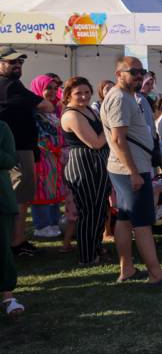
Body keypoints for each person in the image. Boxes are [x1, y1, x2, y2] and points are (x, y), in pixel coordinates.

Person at [101, 57, 162, 287]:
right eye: (133, 71)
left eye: (142, 71)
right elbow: (119, 140)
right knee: (142, 222)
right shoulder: (120, 98)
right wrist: (134, 172)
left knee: (125, 219)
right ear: (119, 73)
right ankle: (156, 274)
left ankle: (127, 269)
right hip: (131, 169)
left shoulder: (127, 97)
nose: (139, 75)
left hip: (127, 168)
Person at [0, 46, 54, 258]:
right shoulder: (8, 85)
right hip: (16, 150)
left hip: (19, 148)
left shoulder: (13, 84)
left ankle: (17, 240)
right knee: (20, 197)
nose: (17, 65)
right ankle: (16, 242)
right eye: (11, 61)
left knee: (20, 197)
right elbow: (46, 106)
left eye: (20, 62)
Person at [60, 77, 112, 267]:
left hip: (98, 164)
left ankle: (95, 246)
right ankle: (87, 256)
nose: (83, 96)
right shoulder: (71, 115)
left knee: (99, 209)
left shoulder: (89, 109)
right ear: (68, 95)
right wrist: (112, 126)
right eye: (78, 93)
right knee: (88, 212)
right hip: (83, 165)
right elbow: (95, 142)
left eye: (87, 92)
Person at [28, 75, 66, 241]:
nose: (51, 91)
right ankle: (41, 226)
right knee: (41, 190)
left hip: (55, 157)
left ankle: (54, 222)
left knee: (54, 189)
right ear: (38, 89)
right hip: (42, 156)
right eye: (47, 88)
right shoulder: (33, 111)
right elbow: (33, 136)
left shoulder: (56, 109)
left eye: (53, 88)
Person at [1, 119, 25, 316]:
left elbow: (10, 160)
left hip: (1, 198)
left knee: (2, 247)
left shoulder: (2, 127)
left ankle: (7, 295)